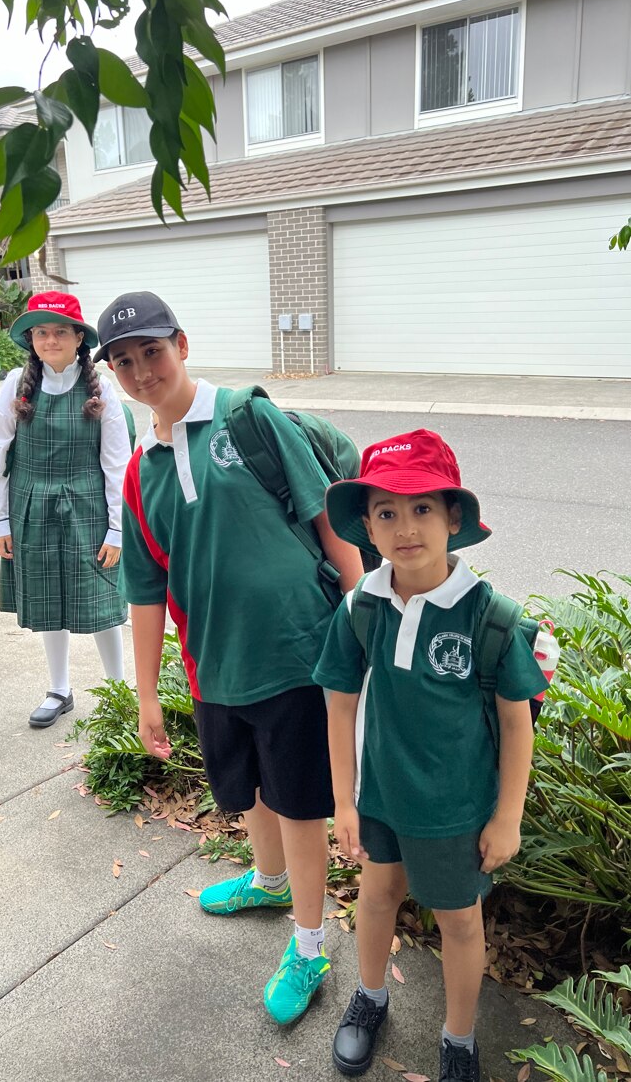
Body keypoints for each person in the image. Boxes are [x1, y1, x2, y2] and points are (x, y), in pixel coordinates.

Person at [94, 291, 363, 1024]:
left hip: (299, 653)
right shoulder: (139, 470)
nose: (142, 369)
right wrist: (146, 693)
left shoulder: (247, 416)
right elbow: (145, 591)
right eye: (124, 360)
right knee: (250, 791)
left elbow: (327, 521)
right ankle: (269, 881)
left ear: (181, 342)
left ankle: (308, 945)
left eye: (152, 350)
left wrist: (361, 624)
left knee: (301, 804)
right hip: (214, 665)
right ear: (112, 372)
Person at [312, 430, 548, 1081]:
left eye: (421, 508)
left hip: (456, 809)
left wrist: (507, 816)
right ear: (366, 525)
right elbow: (338, 704)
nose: (404, 526)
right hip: (381, 797)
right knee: (377, 893)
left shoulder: (488, 616)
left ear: (452, 517)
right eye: (385, 511)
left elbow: (514, 720)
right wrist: (343, 800)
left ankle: (458, 1037)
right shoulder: (361, 606)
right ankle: (369, 996)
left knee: (459, 921)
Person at [0, 291, 132, 728]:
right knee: (49, 599)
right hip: (31, 506)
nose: (50, 340)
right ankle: (59, 689)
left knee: (100, 598)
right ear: (31, 339)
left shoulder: (101, 389)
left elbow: (117, 464)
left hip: (88, 507)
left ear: (78, 338)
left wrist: (118, 530)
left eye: (60, 331)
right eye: (41, 332)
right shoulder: (15, 385)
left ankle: (118, 691)